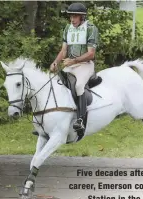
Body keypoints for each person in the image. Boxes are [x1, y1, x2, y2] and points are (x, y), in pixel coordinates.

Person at [32, 2, 99, 137]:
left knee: (79, 86)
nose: (72, 19)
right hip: (71, 65)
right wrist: (56, 62)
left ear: (82, 17)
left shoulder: (91, 28)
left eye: (75, 16)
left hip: (85, 65)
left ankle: (80, 120)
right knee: (56, 83)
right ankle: (49, 121)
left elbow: (91, 54)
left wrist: (74, 60)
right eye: (71, 16)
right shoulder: (68, 28)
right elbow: (64, 50)